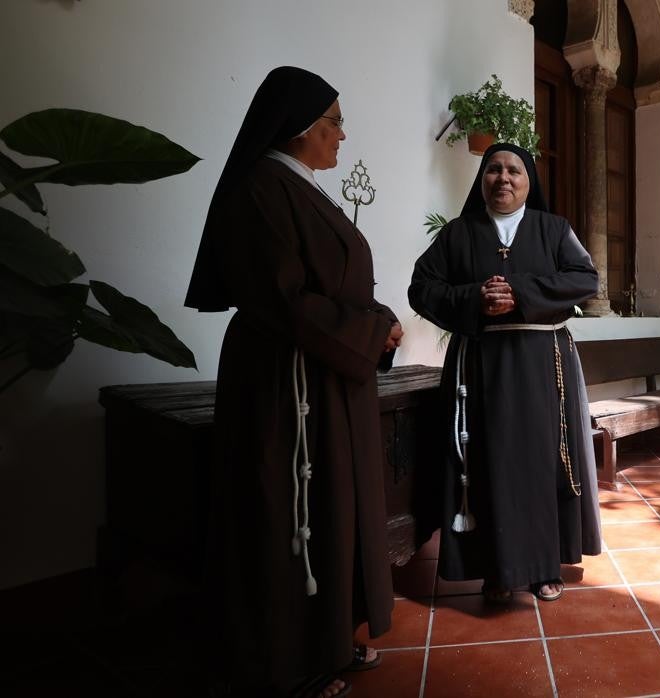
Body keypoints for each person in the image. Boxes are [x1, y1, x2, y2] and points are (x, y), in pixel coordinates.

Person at [185, 66, 401, 697]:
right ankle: (285, 662)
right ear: (299, 128)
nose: (341, 134)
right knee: (289, 513)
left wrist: (374, 325)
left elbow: (325, 289)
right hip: (287, 382)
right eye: (332, 121)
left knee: (329, 508)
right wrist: (371, 330)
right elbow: (282, 299)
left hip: (324, 373)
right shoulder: (260, 188)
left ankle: (328, 638)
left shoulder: (298, 186)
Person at [408, 143, 602, 603]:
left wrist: (519, 292)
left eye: (514, 170)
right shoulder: (459, 233)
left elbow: (586, 278)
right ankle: (494, 567)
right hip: (480, 367)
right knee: (488, 463)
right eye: (493, 169)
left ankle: (544, 567)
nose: (503, 178)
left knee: (541, 462)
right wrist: (475, 297)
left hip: (543, 365)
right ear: (482, 180)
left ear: (528, 181)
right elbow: (422, 288)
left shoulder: (554, 229)